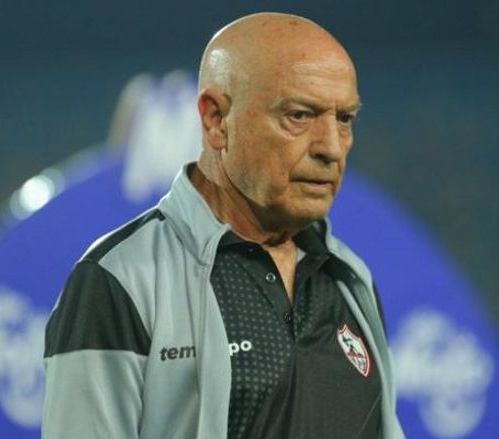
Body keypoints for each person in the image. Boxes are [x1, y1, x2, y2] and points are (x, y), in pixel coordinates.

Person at [42, 12, 404, 439]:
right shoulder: (120, 280)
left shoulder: (349, 279)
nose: (331, 148)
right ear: (216, 119)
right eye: (299, 115)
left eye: (344, 119)